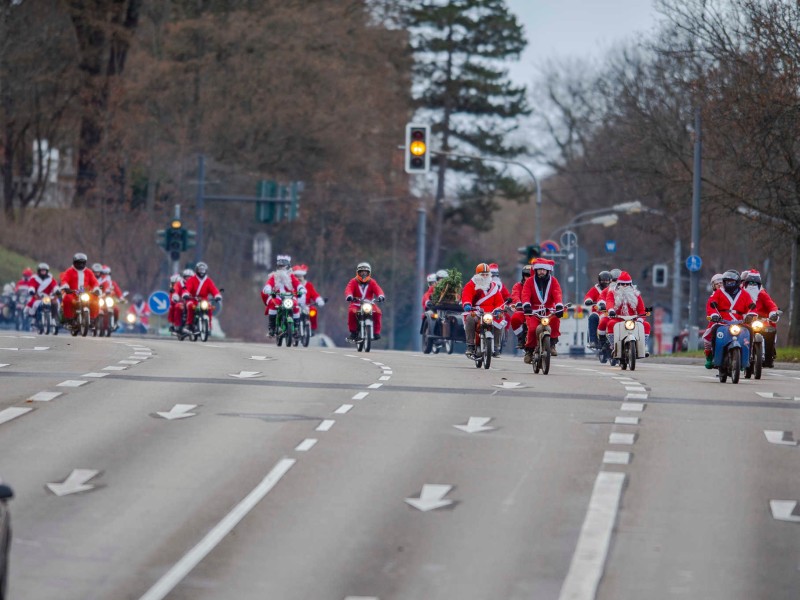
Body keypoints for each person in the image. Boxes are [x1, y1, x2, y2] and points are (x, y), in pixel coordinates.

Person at [703, 270, 754, 368]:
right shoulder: (718, 293)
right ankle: (712, 356)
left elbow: (752, 306)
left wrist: (750, 315)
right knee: (713, 330)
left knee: (750, 331)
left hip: (739, 321)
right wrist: (714, 315)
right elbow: (711, 304)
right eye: (726, 282)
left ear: (738, 282)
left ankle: (747, 356)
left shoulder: (744, 294)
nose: (728, 284)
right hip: (722, 321)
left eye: (731, 282)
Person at [461, 262, 508, 357]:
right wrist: (467, 304)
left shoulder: (494, 286)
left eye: (487, 274)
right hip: (477, 311)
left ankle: (496, 346)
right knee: (470, 318)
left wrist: (499, 309)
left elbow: (499, 301)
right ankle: (470, 345)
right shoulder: (471, 285)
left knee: (500, 319)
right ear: (477, 274)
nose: (485, 276)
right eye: (483, 274)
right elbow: (467, 295)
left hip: (491, 312)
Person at [521, 258, 563, 362]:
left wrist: (558, 306)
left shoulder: (553, 281)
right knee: (531, 329)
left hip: (549, 310)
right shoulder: (529, 281)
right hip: (534, 311)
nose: (542, 272)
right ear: (535, 270)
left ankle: (552, 344)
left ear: (548, 270)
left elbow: (557, 293)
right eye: (539, 270)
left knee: (556, 322)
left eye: (544, 270)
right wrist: (526, 306)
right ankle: (529, 351)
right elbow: (525, 294)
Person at [605, 271, 651, 356]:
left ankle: (642, 347)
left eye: (627, 284)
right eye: (622, 284)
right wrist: (611, 310)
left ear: (631, 284)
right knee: (611, 324)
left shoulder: (636, 295)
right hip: (618, 319)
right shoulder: (612, 293)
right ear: (618, 284)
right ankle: (614, 346)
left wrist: (641, 319)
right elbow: (609, 302)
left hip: (633, 320)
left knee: (646, 325)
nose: (625, 286)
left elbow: (641, 309)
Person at [741, 269, 780, 367]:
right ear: (745, 283)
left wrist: (773, 313)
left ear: (759, 284)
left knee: (770, 331)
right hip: (745, 321)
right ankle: (736, 355)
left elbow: (772, 305)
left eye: (755, 283)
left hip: (761, 321)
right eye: (750, 283)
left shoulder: (762, 294)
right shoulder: (741, 294)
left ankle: (768, 356)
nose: (752, 286)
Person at [261, 255, 304, 337]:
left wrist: (301, 289)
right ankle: (272, 328)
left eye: (283, 266)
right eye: (280, 266)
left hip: (289, 297)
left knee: (295, 305)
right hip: (277, 296)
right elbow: (268, 284)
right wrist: (268, 289)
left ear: (288, 266)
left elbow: (297, 284)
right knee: (273, 303)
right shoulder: (274, 276)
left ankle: (296, 329)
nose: (282, 268)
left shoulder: (291, 276)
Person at [344, 262, 385, 341]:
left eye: (365, 272)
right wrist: (349, 296)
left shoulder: (372, 282)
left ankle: (376, 332)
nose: (363, 274)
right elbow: (348, 289)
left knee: (378, 312)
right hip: (356, 303)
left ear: (369, 273)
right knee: (352, 312)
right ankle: (353, 332)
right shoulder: (353, 281)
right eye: (361, 272)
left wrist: (381, 296)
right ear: (358, 272)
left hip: (369, 303)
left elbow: (378, 289)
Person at [59, 252, 101, 328]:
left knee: (96, 300)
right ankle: (70, 320)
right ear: (74, 263)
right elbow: (64, 280)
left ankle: (92, 319)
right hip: (72, 293)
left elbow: (94, 282)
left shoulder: (88, 272)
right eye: (78, 263)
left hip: (85, 293)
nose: (81, 265)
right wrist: (66, 287)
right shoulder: (69, 271)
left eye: (82, 263)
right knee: (66, 299)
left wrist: (96, 289)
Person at [182, 262, 222, 333]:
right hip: (193, 298)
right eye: (200, 270)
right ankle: (189, 325)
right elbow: (187, 288)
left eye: (203, 270)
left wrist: (217, 296)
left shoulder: (208, 281)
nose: (202, 271)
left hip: (204, 300)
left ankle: (209, 326)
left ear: (206, 270)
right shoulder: (192, 279)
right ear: (197, 270)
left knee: (209, 307)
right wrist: (186, 294)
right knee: (190, 305)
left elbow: (213, 289)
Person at [584, 270, 612, 348]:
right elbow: (588, 296)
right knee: (592, 317)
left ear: (610, 280)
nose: (605, 282)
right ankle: (593, 341)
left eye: (607, 280)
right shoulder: (595, 289)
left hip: (610, 311)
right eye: (603, 280)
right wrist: (589, 300)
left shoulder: (613, 289)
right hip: (598, 312)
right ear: (599, 281)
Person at [293, 264, 324, 332]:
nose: (299, 278)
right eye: (297, 276)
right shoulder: (291, 285)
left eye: (300, 276)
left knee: (313, 311)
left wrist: (319, 300)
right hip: (294, 306)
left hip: (306, 306)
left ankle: (312, 328)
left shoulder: (308, 285)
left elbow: (314, 294)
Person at [596, 268, 621, 349]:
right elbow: (602, 298)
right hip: (609, 314)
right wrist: (602, 304)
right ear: (610, 281)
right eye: (614, 280)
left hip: (624, 315)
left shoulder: (630, 291)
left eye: (619, 280)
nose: (616, 282)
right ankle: (602, 341)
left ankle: (637, 344)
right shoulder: (608, 290)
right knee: (603, 321)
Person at [509, 264, 532, 349]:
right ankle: (520, 337)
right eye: (527, 275)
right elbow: (515, 295)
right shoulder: (518, 286)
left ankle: (550, 342)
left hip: (537, 310)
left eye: (531, 275)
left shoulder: (539, 285)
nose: (529, 277)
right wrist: (518, 302)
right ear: (523, 276)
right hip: (523, 310)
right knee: (515, 319)